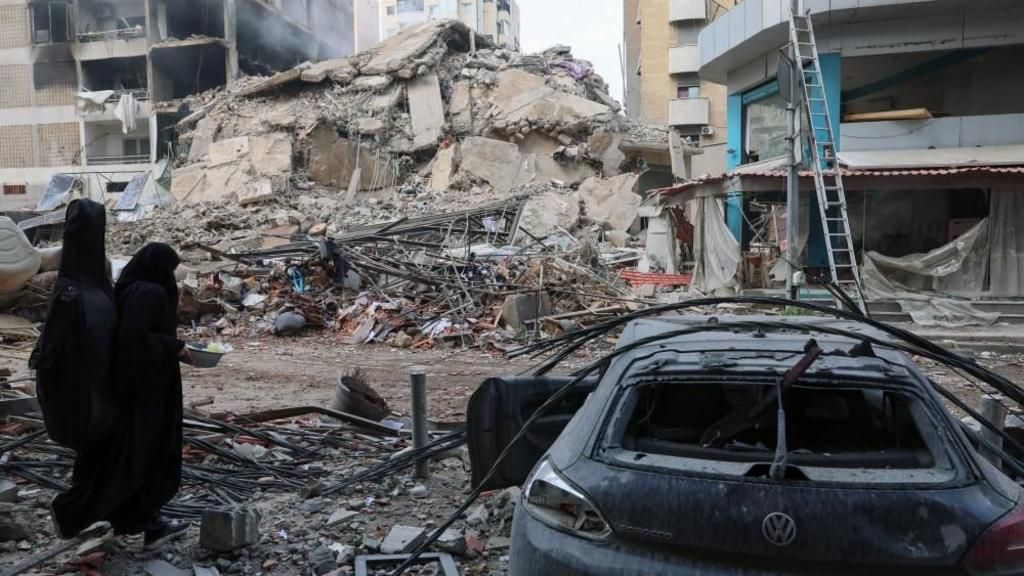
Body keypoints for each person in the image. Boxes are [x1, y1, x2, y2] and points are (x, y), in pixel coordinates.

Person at [31, 199, 118, 539]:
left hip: (104, 387)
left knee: (99, 459)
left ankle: (82, 515)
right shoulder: (70, 292)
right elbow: (50, 352)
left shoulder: (97, 284)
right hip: (83, 392)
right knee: (100, 456)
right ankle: (72, 513)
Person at [107, 242, 192, 547]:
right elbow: (136, 338)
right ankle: (150, 523)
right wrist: (175, 347)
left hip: (129, 387)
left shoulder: (129, 288)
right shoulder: (150, 293)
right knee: (153, 451)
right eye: (169, 270)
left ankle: (130, 518)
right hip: (149, 388)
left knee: (132, 452)